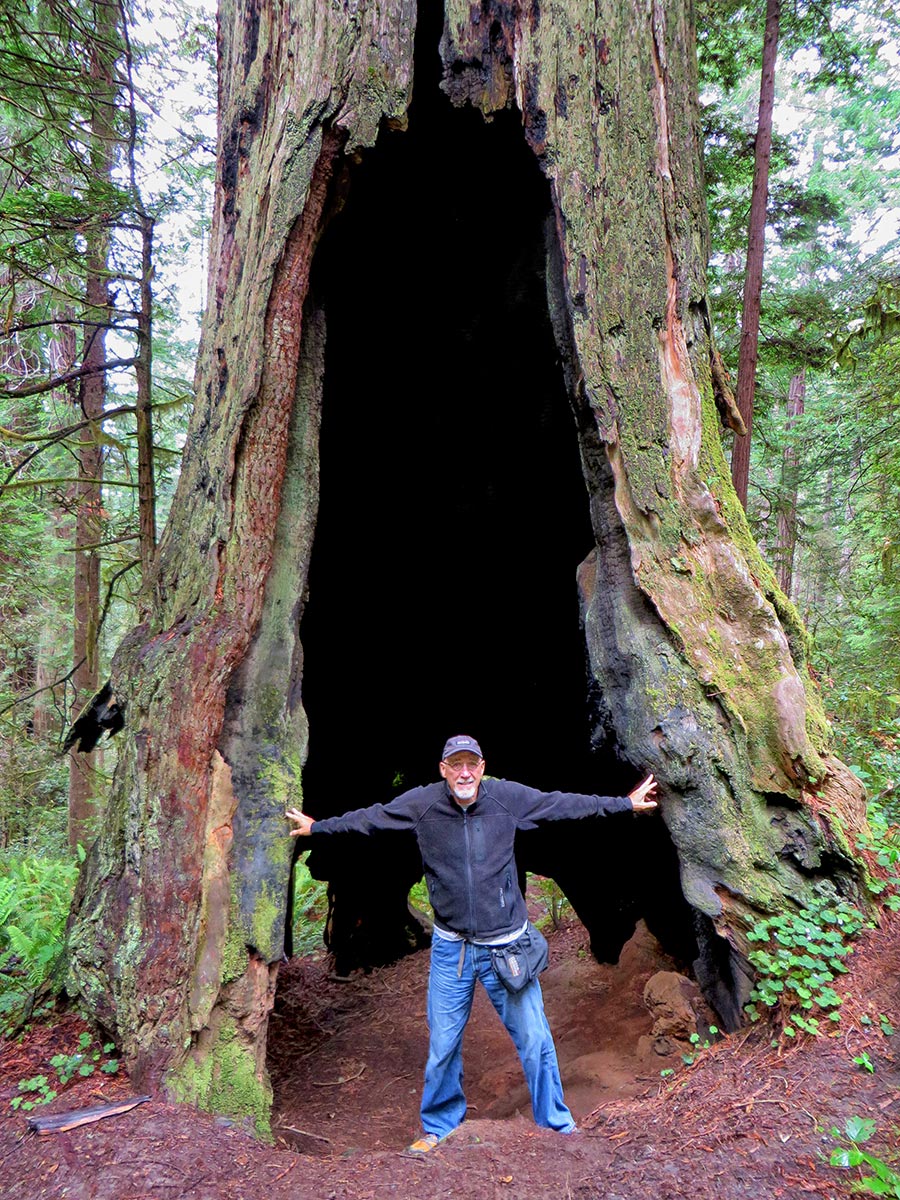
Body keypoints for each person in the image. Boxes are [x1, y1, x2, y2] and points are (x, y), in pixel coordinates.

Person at [286, 733, 658, 1153]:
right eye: (455, 765)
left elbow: (562, 805)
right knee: (443, 1045)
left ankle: (556, 1127)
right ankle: (440, 1127)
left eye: (471, 764)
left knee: (535, 1040)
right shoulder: (422, 804)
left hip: (506, 948)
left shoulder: (507, 798)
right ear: (443, 770)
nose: (464, 773)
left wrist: (624, 804)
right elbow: (373, 819)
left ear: (481, 768)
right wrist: (318, 828)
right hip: (453, 950)